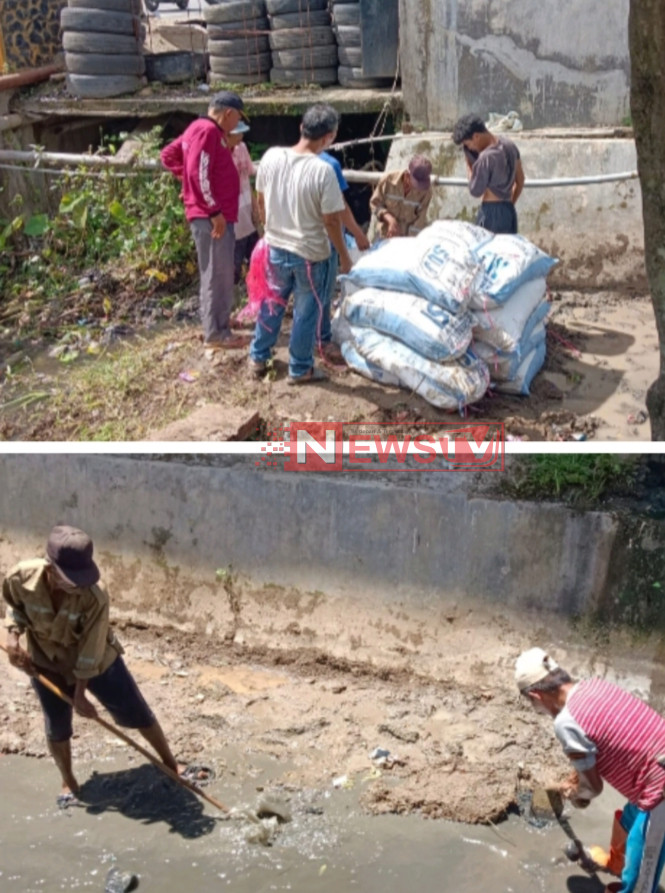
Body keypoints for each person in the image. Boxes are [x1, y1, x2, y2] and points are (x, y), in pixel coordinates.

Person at [3, 525, 185, 807]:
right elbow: (15, 608)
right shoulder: (20, 577)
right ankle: (69, 781)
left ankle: (171, 764)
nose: (79, 584)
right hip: (47, 660)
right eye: (71, 579)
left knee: (136, 710)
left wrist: (80, 694)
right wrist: (13, 639)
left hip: (98, 660)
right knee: (56, 725)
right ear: (50, 568)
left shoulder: (95, 596)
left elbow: (91, 648)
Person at [516, 646, 665, 893]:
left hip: (659, 794)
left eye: (532, 704)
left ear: (536, 696)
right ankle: (617, 863)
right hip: (652, 775)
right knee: (629, 822)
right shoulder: (594, 685)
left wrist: (575, 794)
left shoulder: (566, 722)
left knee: (640, 883)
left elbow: (593, 788)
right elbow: (604, 739)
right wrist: (577, 777)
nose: (536, 710)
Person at [249, 103, 352, 384]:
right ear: (329, 137)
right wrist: (344, 256)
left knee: (272, 304)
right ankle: (300, 367)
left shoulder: (271, 157)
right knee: (306, 313)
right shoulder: (323, 171)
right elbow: (332, 221)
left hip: (275, 247)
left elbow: (260, 199)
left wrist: (268, 231)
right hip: (310, 255)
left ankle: (258, 357)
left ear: (301, 128)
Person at [161, 91, 248, 354]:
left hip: (213, 213)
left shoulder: (198, 129)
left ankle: (219, 322)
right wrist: (213, 210)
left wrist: (187, 184)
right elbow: (198, 173)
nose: (238, 124)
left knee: (219, 271)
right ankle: (216, 332)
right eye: (238, 118)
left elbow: (169, 156)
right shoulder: (208, 131)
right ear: (228, 113)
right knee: (216, 273)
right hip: (211, 217)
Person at [319, 149, 369, 358]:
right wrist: (356, 237)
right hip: (323, 242)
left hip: (297, 240)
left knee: (306, 295)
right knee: (323, 294)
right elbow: (338, 210)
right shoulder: (329, 165)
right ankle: (321, 340)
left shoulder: (291, 158)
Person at [452, 113, 525, 234]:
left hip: (491, 213)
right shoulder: (510, 146)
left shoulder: (485, 158)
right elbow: (520, 180)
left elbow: (475, 191)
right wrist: (510, 204)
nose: (470, 148)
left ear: (476, 136)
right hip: (509, 211)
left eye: (468, 144)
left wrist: (469, 166)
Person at [369, 154, 433, 240]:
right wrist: (390, 219)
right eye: (416, 184)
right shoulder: (388, 180)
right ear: (407, 175)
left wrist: (406, 241)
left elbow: (419, 222)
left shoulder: (426, 192)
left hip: (407, 240)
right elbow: (375, 204)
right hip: (384, 235)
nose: (418, 188)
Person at [227, 120, 260, 289]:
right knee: (234, 262)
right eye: (237, 134)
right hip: (232, 217)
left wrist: (255, 206)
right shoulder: (220, 155)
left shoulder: (242, 148)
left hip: (246, 208)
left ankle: (255, 291)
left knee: (255, 258)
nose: (240, 137)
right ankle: (232, 295)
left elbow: (248, 174)